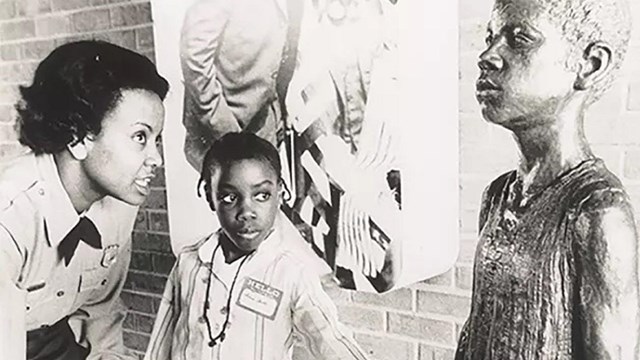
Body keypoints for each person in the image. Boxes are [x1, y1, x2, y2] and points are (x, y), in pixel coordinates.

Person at [455, 0, 639, 358]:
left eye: (520, 39)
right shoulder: (498, 195)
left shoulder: (598, 211)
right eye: (491, 38)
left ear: (589, 64)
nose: (488, 56)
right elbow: (478, 328)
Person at [0, 40, 169, 360]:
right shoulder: (10, 215)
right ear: (79, 138)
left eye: (156, 140)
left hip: (49, 338)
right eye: (140, 137)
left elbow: (101, 319)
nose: (156, 159)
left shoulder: (119, 204)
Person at [144, 132, 369, 360]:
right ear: (210, 196)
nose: (246, 213)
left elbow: (331, 339)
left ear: (280, 194)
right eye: (229, 198)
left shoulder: (291, 272)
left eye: (261, 195)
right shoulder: (189, 262)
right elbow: (160, 345)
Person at [179, 0, 303, 171]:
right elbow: (195, 58)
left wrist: (278, 112)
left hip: (264, 125)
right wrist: (226, 131)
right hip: (221, 134)